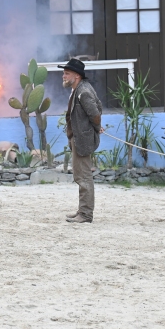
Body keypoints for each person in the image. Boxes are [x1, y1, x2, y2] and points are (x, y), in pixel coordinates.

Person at [58, 59, 104, 224]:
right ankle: (82, 211)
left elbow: (95, 113)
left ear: (76, 76)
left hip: (82, 139)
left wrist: (96, 127)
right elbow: (98, 106)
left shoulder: (83, 91)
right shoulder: (79, 89)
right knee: (81, 176)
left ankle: (85, 214)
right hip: (78, 137)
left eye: (67, 73)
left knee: (84, 177)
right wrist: (95, 126)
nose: (63, 76)